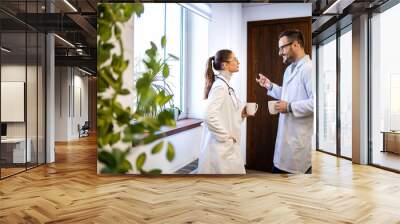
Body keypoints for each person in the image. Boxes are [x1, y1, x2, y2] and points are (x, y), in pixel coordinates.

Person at [256, 29, 313, 174]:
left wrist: (289, 107)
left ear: (295, 44)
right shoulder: (289, 70)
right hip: (285, 141)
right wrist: (269, 85)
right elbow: (288, 94)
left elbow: (315, 103)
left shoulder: (309, 69)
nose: (279, 52)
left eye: (282, 47)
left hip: (297, 143)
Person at [197, 49, 249, 174]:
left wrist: (241, 114)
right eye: (235, 59)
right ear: (224, 65)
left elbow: (226, 113)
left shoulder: (225, 85)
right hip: (221, 147)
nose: (239, 62)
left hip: (227, 147)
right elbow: (208, 116)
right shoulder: (220, 86)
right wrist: (225, 137)